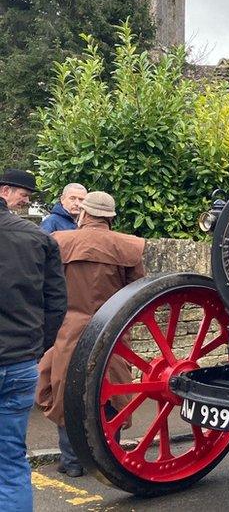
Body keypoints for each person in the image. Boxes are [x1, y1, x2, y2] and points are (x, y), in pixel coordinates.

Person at [36, 191, 146, 477]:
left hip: (69, 328)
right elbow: (139, 294)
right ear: (110, 217)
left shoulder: (61, 241)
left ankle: (72, 462)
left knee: (64, 390)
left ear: (83, 214)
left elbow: (46, 290)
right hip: (112, 330)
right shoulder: (128, 247)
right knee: (111, 391)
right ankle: (108, 460)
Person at [0, 169, 68, 511]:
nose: (26, 199)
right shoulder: (38, 238)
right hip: (20, 362)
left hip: (19, 358)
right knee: (10, 459)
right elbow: (56, 303)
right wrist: (36, 349)